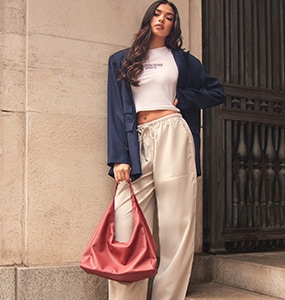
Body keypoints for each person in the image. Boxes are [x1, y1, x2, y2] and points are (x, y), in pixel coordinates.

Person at [106, 1, 226, 299]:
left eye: (169, 16)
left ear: (174, 24)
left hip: (174, 135)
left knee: (176, 224)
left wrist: (183, 99)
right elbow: (113, 112)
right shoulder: (121, 60)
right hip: (137, 142)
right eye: (158, 14)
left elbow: (216, 92)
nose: (163, 20)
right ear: (148, 19)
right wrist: (119, 156)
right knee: (127, 227)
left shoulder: (183, 61)